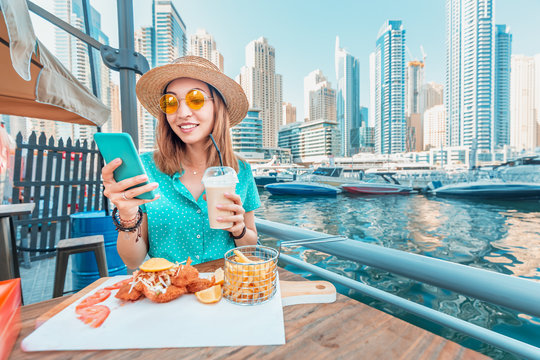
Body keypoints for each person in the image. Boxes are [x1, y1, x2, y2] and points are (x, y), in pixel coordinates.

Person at [101, 56, 261, 269]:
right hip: (168, 293)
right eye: (171, 102)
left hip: (223, 291)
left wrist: (239, 230)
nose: (182, 113)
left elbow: (249, 250)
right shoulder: (145, 168)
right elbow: (132, 260)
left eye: (196, 99)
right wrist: (128, 216)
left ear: (217, 108)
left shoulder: (241, 171)